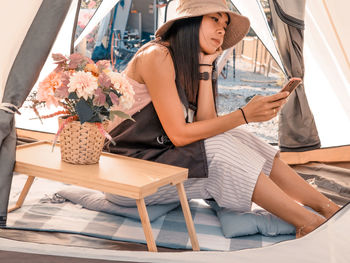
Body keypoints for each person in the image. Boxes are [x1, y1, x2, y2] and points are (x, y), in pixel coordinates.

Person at [104, 0, 340, 238]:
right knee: (221, 149)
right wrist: (244, 115)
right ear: (190, 21)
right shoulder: (157, 55)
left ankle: (328, 208)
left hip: (155, 160)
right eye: (214, 19)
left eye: (225, 25)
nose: (221, 29)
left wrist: (206, 68)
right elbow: (179, 134)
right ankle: (307, 222)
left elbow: (208, 124)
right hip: (127, 175)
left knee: (234, 137)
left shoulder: (191, 62)